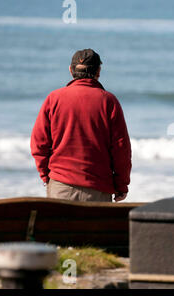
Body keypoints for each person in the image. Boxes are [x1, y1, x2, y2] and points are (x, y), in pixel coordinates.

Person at [31, 49, 132, 202]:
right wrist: (121, 185)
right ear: (98, 71)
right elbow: (121, 150)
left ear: (71, 70)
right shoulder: (108, 101)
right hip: (98, 189)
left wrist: (46, 176)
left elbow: (39, 144)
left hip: (60, 187)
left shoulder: (54, 99)